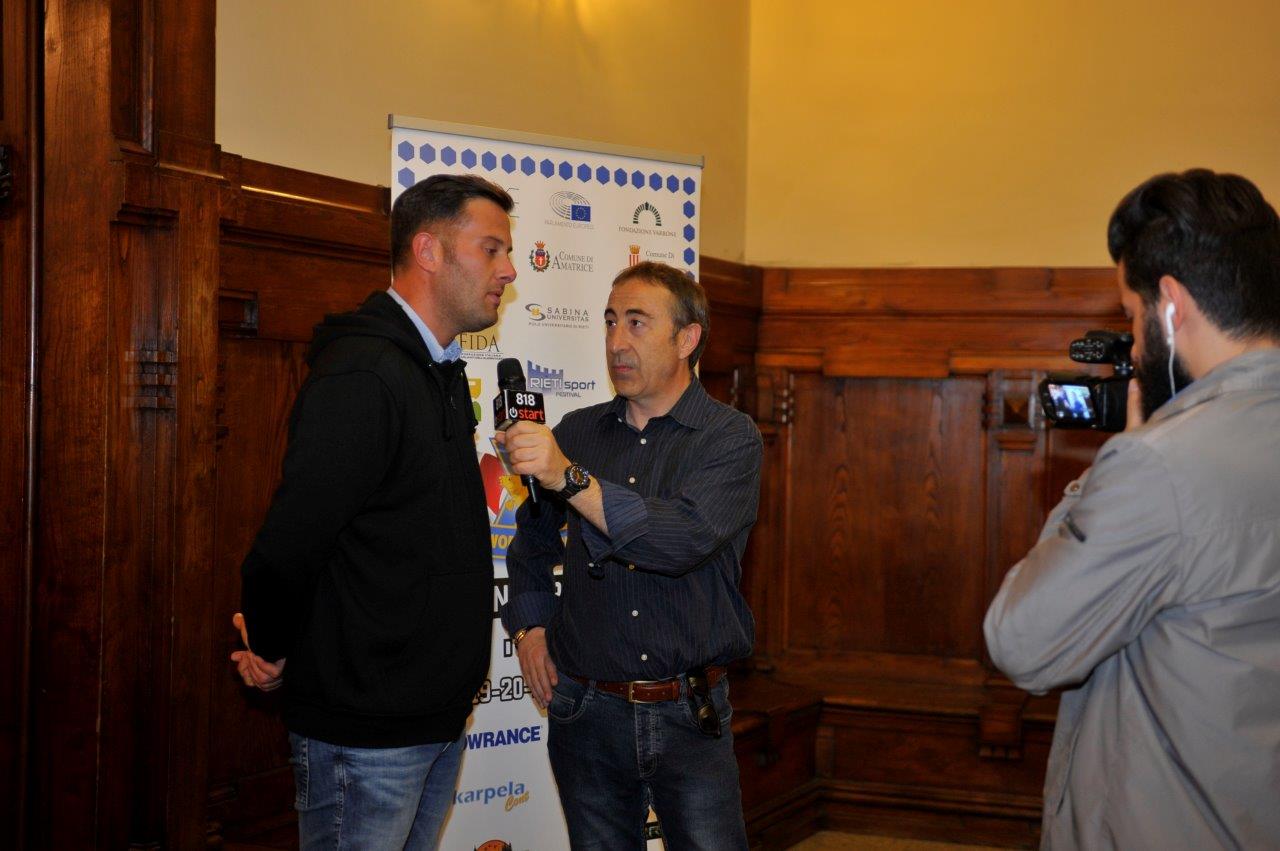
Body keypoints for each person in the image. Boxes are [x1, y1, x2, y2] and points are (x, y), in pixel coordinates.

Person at [985, 169, 1280, 849]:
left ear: (1170, 304)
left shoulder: (1160, 464)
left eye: (1131, 315)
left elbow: (1022, 642)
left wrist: (1113, 464)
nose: (1136, 345)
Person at [231, 174, 516, 849]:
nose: (508, 270)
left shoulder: (436, 369)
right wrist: (268, 644)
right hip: (365, 735)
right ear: (428, 250)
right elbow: (291, 539)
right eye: (492, 249)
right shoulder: (366, 373)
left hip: (432, 720)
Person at [497, 261, 763, 849]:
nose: (617, 341)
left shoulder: (730, 438)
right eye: (610, 322)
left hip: (689, 713)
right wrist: (531, 629)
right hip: (586, 710)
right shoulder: (577, 432)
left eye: (637, 323)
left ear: (687, 339)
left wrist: (570, 478)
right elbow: (532, 543)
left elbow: (680, 540)